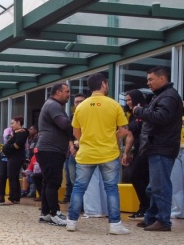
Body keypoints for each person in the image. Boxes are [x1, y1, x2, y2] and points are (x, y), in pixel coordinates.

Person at [65, 73, 129, 234]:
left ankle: (71, 222)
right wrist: (110, 136)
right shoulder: (114, 105)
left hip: (86, 154)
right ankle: (115, 225)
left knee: (79, 188)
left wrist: (87, 140)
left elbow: (75, 132)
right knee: (111, 189)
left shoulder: (81, 107)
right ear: (103, 84)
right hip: (109, 153)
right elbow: (124, 131)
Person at [133, 66, 183, 232]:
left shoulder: (168, 96)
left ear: (162, 78)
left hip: (162, 147)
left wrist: (140, 111)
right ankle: (152, 217)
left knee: (160, 186)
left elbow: (161, 117)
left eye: (151, 79)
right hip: (158, 146)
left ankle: (163, 220)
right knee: (153, 186)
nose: (148, 83)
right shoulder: (163, 95)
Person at [35, 83, 73, 226]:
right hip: (51, 150)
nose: (69, 94)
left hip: (49, 149)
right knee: (53, 182)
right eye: (66, 91)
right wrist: (78, 121)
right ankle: (54, 213)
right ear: (58, 92)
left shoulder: (51, 105)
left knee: (48, 182)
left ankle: (45, 214)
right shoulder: (53, 105)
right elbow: (64, 124)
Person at [121, 89, 149, 220]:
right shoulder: (132, 115)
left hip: (148, 149)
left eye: (130, 99)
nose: (128, 102)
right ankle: (144, 207)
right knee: (139, 177)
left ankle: (146, 206)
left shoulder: (146, 111)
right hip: (137, 149)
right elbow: (130, 136)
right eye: (126, 100)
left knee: (135, 176)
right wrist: (125, 153)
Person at [0, 116, 27, 205]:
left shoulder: (21, 133)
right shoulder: (17, 132)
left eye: (13, 123)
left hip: (16, 157)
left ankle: (12, 198)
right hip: (13, 157)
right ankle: (16, 197)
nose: (11, 125)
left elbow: (16, 145)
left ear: (18, 122)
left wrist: (7, 147)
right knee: (15, 177)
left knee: (12, 176)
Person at [62, 94, 86, 203]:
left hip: (86, 150)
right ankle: (76, 202)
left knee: (84, 179)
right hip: (73, 151)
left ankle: (83, 203)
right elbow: (69, 135)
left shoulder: (89, 116)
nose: (79, 103)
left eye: (81, 101)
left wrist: (77, 146)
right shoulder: (72, 117)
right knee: (72, 177)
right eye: (77, 102)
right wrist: (72, 147)